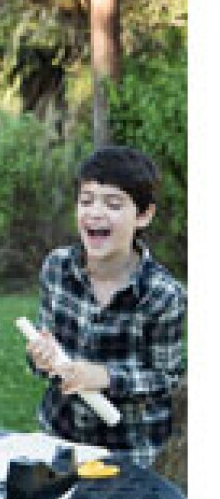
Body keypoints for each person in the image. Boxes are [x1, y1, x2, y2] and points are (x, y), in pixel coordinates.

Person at [26, 146, 186, 468]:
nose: (95, 212)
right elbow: (46, 346)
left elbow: (166, 378)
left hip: (130, 453)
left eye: (113, 204)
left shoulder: (163, 295)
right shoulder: (56, 268)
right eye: (86, 201)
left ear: (144, 215)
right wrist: (40, 356)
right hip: (61, 437)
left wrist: (106, 377)